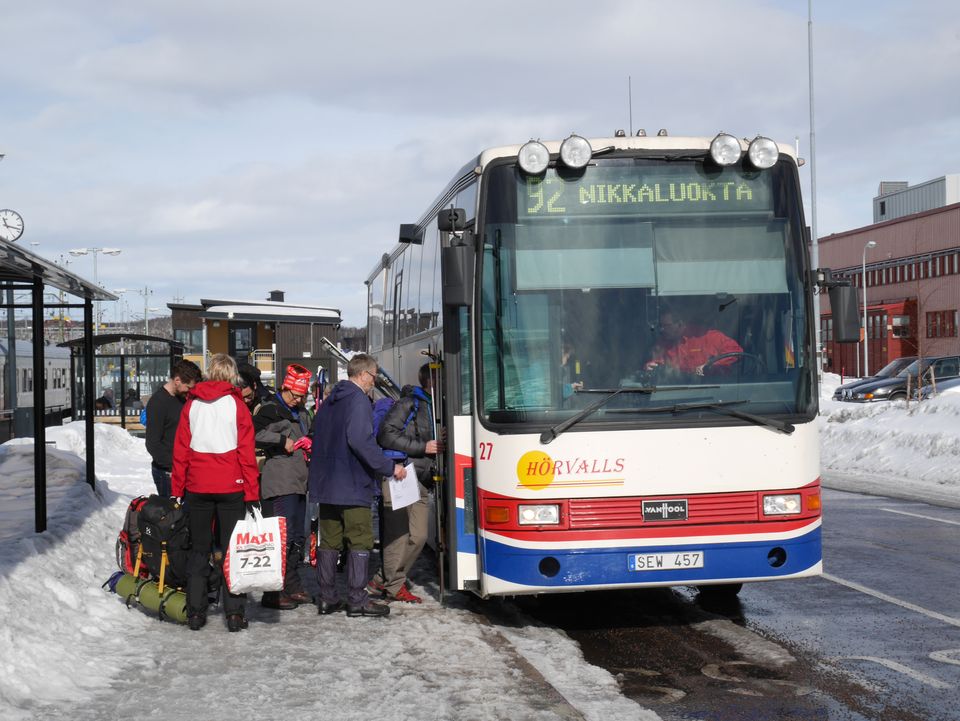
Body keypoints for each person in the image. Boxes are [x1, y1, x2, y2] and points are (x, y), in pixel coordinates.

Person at [307, 353, 407, 618]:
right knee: (360, 540)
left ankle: (327, 598)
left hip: (327, 484)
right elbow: (361, 442)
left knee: (329, 542)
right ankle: (357, 599)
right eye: (373, 377)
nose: (373, 383)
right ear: (363, 374)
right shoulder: (359, 401)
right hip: (352, 483)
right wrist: (389, 467)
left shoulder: (329, 401)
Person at [171, 353, 260, 632]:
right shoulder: (237, 406)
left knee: (198, 550)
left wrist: (177, 489)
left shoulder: (192, 405)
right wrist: (251, 492)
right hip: (230, 486)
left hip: (197, 486)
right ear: (232, 375)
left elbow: (181, 451)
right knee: (231, 550)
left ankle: (196, 613)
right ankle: (234, 614)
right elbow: (246, 454)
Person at [368, 363, 444, 603]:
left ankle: (382, 580)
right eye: (440, 377)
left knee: (419, 536)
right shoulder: (409, 403)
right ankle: (393, 587)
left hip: (422, 478)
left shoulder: (437, 406)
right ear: (429, 381)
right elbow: (385, 435)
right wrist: (424, 447)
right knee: (397, 536)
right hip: (401, 475)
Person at [253, 363, 313, 610]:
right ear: (285, 387)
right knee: (280, 538)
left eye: (302, 396)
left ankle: (291, 584)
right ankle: (272, 592)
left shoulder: (302, 413)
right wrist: (281, 441)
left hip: (298, 482)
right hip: (279, 483)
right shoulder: (270, 409)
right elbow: (251, 434)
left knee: (296, 538)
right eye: (294, 395)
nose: (298, 400)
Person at [144, 360, 202, 497]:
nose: (190, 391)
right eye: (188, 387)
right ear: (177, 380)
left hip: (183, 468)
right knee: (173, 515)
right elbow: (153, 444)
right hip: (168, 472)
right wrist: (173, 466)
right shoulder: (158, 403)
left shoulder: (182, 397)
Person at [646, 309, 743, 376]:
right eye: (661, 326)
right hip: (680, 392)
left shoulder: (710, 337)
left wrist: (710, 366)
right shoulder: (664, 342)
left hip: (716, 390)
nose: (662, 329)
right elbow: (657, 362)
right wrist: (651, 366)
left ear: (680, 324)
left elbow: (736, 352)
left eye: (666, 325)